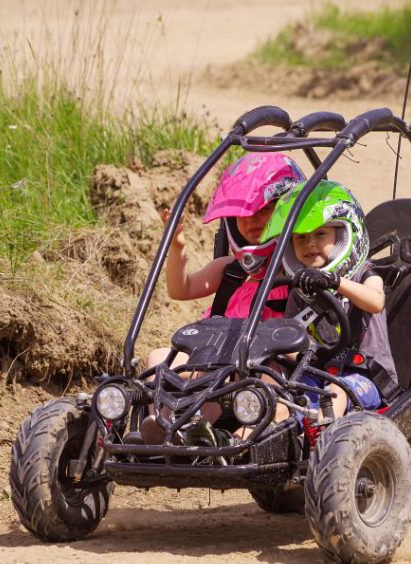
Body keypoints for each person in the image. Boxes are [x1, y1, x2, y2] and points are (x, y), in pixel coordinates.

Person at [139, 152, 306, 443]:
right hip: (214, 357)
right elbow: (181, 289)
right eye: (243, 212)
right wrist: (176, 249)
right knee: (157, 359)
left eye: (264, 209)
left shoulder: (294, 272)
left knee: (259, 377)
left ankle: (243, 435)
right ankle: (167, 427)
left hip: (261, 364)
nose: (252, 219)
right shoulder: (229, 269)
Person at [260, 179, 396, 418]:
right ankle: (242, 443)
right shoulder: (300, 290)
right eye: (300, 237)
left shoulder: (364, 272)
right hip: (318, 373)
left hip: (366, 377)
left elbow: (376, 301)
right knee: (278, 400)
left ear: (343, 233)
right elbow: (292, 341)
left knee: (335, 394)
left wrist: (335, 282)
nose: (310, 243)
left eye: (320, 234)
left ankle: (326, 446)